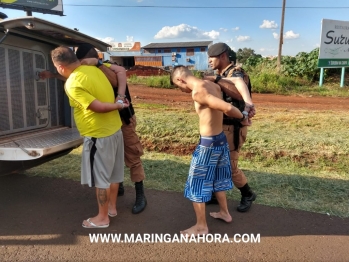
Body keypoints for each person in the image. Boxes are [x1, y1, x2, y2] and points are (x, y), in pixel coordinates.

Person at [41, 44, 147, 214]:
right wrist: (53, 75)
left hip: (123, 118)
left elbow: (120, 73)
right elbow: (73, 77)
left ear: (88, 59)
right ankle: (116, 190)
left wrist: (119, 97)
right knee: (112, 161)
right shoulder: (88, 69)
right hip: (110, 121)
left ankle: (140, 194)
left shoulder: (104, 67)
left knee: (132, 155)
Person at [51, 46, 129, 228]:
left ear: (61, 67)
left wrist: (119, 106)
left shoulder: (72, 83)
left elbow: (98, 107)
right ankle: (112, 208)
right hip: (115, 130)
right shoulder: (94, 70)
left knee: (101, 178)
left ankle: (102, 219)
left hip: (98, 135)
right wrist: (119, 101)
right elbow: (118, 73)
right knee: (114, 174)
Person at [170, 65, 249, 236]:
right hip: (220, 140)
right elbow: (236, 83)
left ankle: (201, 226)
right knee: (217, 178)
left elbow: (227, 108)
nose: (181, 90)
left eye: (178, 86)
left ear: (180, 79)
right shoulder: (212, 84)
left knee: (196, 184)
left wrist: (243, 117)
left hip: (208, 145)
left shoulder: (198, 91)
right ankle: (224, 213)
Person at [205, 42, 256, 212]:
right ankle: (214, 194)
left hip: (233, 128)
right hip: (221, 126)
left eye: (211, 58)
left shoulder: (237, 72)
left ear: (223, 56)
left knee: (230, 166)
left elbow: (237, 92)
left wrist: (217, 79)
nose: (209, 61)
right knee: (215, 162)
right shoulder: (222, 73)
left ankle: (247, 194)